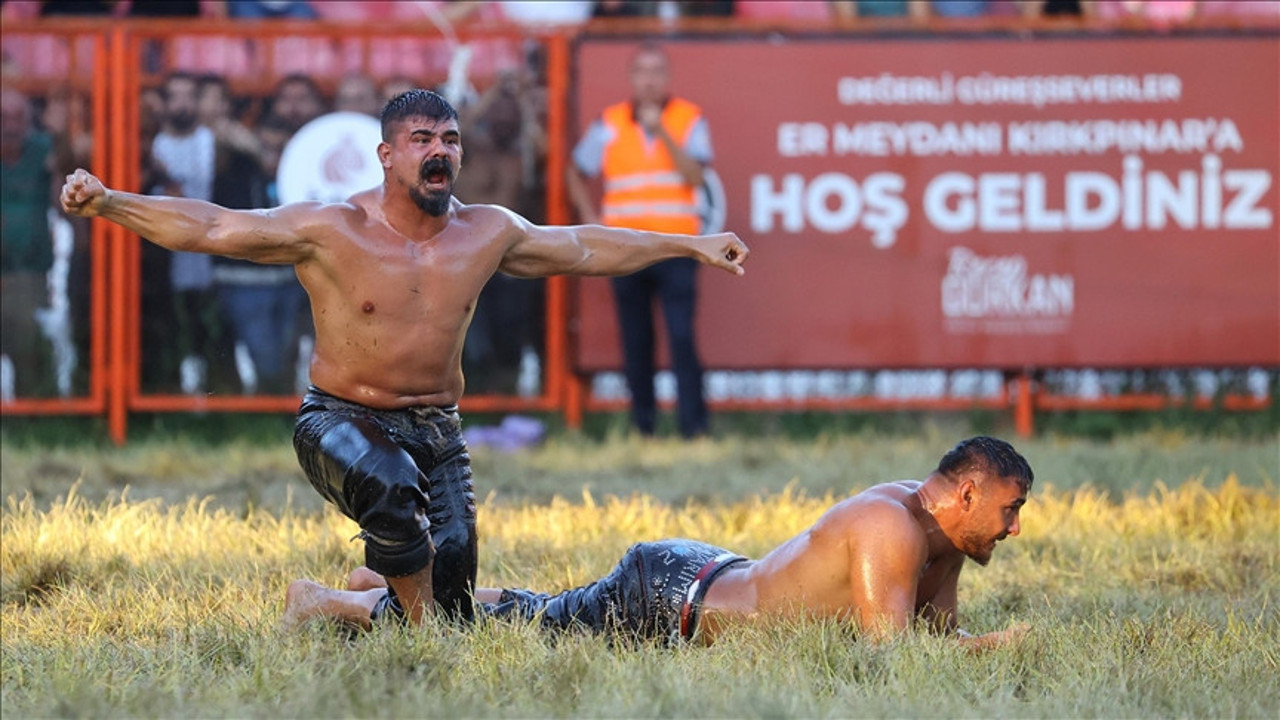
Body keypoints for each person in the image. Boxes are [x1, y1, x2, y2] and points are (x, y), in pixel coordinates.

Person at [60, 89, 748, 627]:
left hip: (438, 432)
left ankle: (335, 599)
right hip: (337, 421)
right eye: (421, 140)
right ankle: (425, 645)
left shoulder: (487, 232)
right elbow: (213, 225)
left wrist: (688, 244)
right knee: (396, 504)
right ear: (387, 155)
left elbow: (584, 246)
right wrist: (113, 202)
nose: (438, 151)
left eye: (448, 139)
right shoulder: (332, 230)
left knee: (452, 598)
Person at [280, 436, 1033, 650]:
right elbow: (891, 655)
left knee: (543, 611)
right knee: (491, 633)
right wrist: (996, 645)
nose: (1015, 527)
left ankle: (373, 585)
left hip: (702, 574)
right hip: (672, 603)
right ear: (966, 492)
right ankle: (325, 603)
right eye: (1009, 509)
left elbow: (937, 633)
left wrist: (974, 641)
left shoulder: (940, 537)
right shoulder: (889, 526)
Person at [566, 42, 714, 439]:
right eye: (642, 71)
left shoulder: (688, 118)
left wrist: (661, 132)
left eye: (657, 71)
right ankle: (643, 425)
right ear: (631, 78)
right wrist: (591, 217)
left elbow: (696, 177)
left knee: (682, 335)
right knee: (635, 337)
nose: (649, 80)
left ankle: (693, 426)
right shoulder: (611, 121)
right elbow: (576, 170)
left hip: (676, 245)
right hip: (626, 247)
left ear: (667, 77)